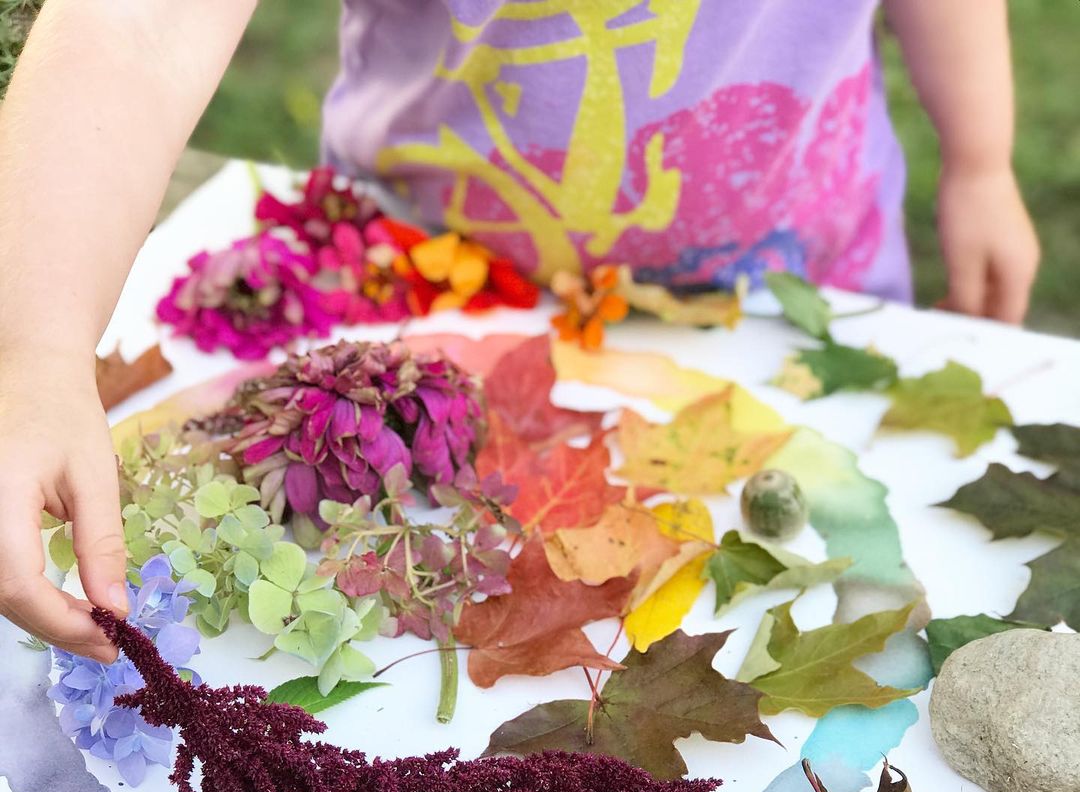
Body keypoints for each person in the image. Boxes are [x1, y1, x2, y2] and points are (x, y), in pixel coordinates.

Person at [0, 0, 1040, 660]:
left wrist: (981, 157)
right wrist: (35, 346)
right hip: (422, 298)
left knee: (799, 611)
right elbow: (138, 25)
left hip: (784, 284)